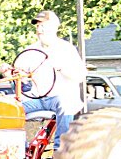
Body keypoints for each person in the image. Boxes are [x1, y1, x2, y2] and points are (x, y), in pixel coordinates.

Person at [12, 10, 86, 151]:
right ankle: (19, 149)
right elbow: (20, 74)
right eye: (37, 26)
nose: (39, 30)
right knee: (10, 108)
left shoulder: (66, 49)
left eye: (43, 26)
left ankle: (60, 151)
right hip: (37, 99)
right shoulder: (31, 50)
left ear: (54, 27)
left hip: (59, 98)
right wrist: (11, 72)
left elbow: (80, 75)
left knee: (65, 104)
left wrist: (62, 67)